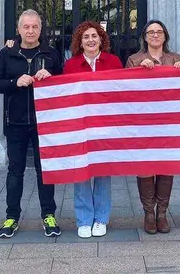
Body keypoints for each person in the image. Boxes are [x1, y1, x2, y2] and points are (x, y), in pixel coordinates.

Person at [0, 9, 63, 238]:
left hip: (44, 122)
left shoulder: (51, 53)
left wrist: (52, 78)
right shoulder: (7, 53)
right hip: (16, 122)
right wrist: (15, 82)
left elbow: (64, 84)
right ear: (19, 29)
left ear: (40, 29)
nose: (30, 31)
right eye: (26, 27)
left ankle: (49, 215)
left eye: (34, 27)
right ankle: (12, 216)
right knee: (15, 171)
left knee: (46, 171)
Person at [63, 21, 124, 238]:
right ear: (80, 42)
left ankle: (100, 219)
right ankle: (84, 219)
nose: (90, 40)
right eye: (86, 37)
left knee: (102, 173)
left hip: (105, 127)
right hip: (80, 126)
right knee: (81, 172)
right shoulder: (71, 65)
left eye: (94, 36)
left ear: (101, 39)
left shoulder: (114, 62)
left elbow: (121, 93)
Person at [125, 20, 180, 234]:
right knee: (145, 167)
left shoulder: (177, 59)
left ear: (165, 36)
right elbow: (127, 92)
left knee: (166, 167)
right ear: (145, 36)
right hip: (143, 124)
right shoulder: (134, 60)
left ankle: (162, 213)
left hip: (169, 124)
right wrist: (140, 71)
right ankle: (149, 213)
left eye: (159, 31)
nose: (155, 35)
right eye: (151, 32)